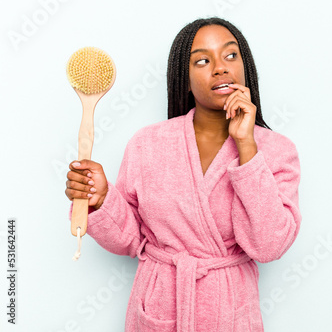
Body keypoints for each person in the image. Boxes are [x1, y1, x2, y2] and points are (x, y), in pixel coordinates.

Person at [65, 17, 301, 332]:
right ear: (185, 79)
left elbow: (269, 246)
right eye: (203, 61)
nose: (220, 67)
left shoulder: (276, 151)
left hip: (230, 314)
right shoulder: (148, 144)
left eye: (231, 56)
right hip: (160, 307)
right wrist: (103, 198)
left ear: (246, 67)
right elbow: (132, 239)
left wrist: (246, 145)